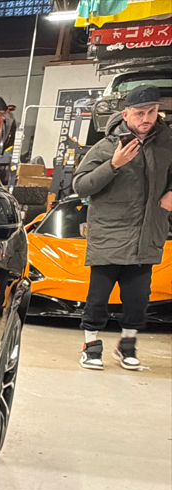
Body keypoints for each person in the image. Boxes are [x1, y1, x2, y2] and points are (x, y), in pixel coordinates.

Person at [71, 85, 172, 370]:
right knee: (98, 299)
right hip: (109, 235)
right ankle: (91, 346)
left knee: (138, 300)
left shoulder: (167, 144)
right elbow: (80, 185)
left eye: (152, 112)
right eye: (140, 113)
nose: (147, 118)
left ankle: (127, 345)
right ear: (125, 114)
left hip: (147, 234)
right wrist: (114, 164)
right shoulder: (105, 147)